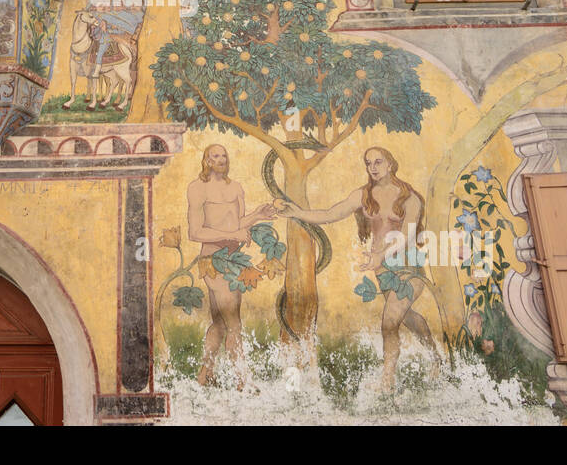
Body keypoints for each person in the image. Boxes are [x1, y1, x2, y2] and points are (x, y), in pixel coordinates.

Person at [278, 146, 439, 391]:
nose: (372, 168)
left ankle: (387, 382)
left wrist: (381, 255)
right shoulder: (364, 196)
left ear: (390, 164)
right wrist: (297, 212)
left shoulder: (409, 197)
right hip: (383, 270)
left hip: (408, 268)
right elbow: (331, 213)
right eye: (368, 163)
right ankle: (436, 357)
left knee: (389, 322)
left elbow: (406, 235)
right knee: (406, 318)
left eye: (378, 162)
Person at [187, 144, 276, 387]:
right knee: (234, 323)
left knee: (220, 323)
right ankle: (242, 380)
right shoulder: (197, 188)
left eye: (224, 155)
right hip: (214, 262)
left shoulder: (235, 187)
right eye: (215, 155)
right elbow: (195, 232)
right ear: (206, 160)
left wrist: (257, 215)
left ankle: (205, 375)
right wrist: (234, 234)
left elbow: (237, 224)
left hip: (233, 262)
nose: (221, 159)